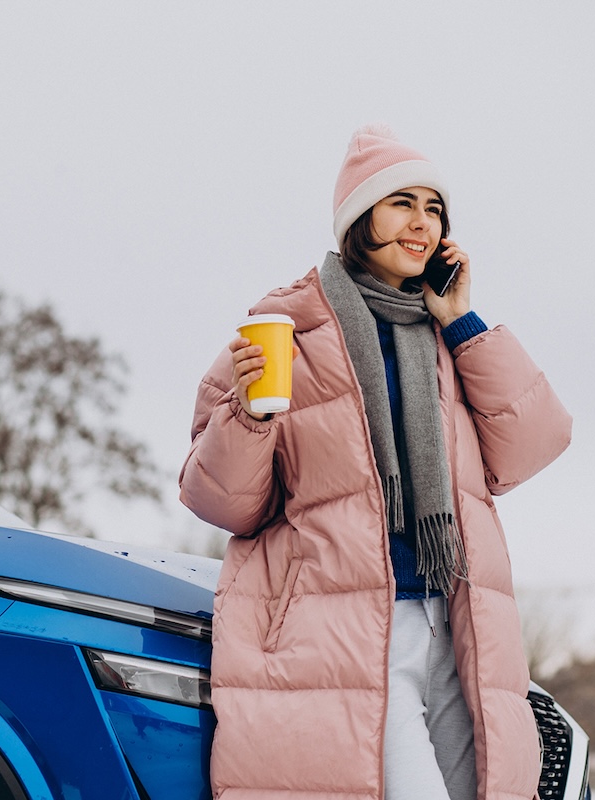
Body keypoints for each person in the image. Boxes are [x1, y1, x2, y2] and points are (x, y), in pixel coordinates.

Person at [179, 124, 572, 800]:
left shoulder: (449, 338)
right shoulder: (281, 335)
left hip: (459, 628)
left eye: (434, 208)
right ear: (359, 219)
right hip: (347, 632)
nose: (421, 224)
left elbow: (529, 449)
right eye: (401, 204)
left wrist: (463, 321)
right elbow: (223, 503)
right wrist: (251, 415)